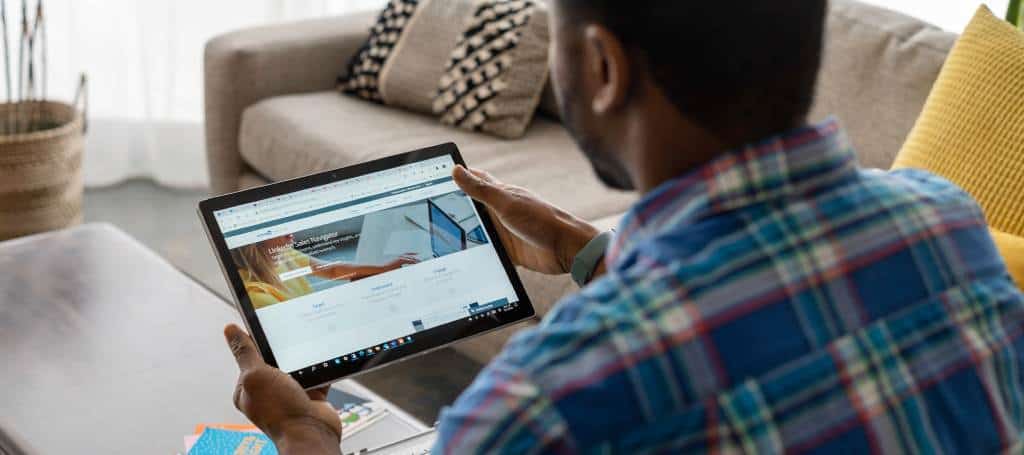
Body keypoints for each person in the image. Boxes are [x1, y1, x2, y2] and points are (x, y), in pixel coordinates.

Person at [220, 0, 1024, 453]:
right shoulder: (946, 223)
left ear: (601, 67)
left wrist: (302, 429)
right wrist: (593, 251)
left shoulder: (540, 407)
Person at [232, 233, 418, 309]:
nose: (291, 236)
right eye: (279, 231)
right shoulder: (257, 296)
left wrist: (384, 268)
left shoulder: (282, 254)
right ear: (255, 242)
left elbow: (332, 270)